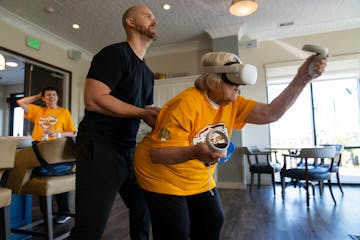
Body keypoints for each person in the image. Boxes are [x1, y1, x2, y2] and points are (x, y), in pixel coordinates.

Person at [133, 51, 328, 240]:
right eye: (233, 80)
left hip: (196, 174)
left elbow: (271, 113)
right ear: (213, 79)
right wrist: (195, 151)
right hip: (160, 174)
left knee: (212, 222)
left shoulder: (233, 103)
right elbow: (159, 154)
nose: (239, 86)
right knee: (176, 231)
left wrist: (303, 78)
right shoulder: (186, 104)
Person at [68, 5, 159, 240]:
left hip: (129, 151)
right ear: (130, 21)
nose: (154, 21)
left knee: (143, 208)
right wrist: (141, 112)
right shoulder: (114, 54)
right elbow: (94, 99)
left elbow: (146, 110)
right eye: (148, 16)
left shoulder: (148, 74)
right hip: (99, 149)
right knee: (89, 230)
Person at [17, 86, 77, 224]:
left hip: (56, 152)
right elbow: (21, 102)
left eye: (54, 94)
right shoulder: (39, 111)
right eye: (48, 95)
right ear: (44, 98)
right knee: (37, 176)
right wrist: (39, 94)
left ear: (58, 97)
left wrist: (58, 134)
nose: (51, 97)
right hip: (38, 151)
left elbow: (73, 132)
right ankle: (44, 213)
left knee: (56, 175)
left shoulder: (63, 112)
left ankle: (64, 211)